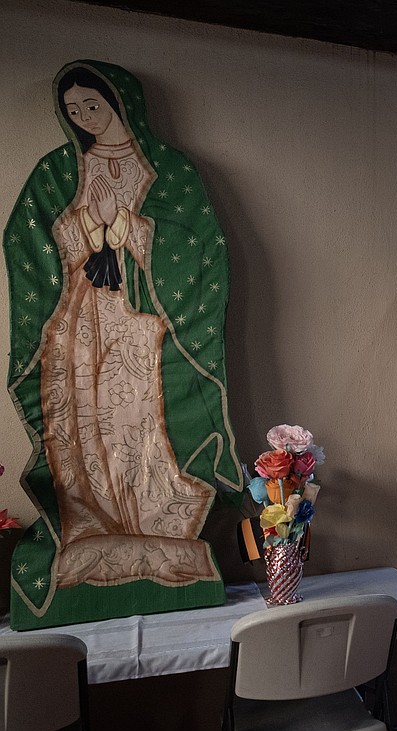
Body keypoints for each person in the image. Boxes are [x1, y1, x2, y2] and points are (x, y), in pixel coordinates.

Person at [3, 60, 242, 626]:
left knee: (137, 423)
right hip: (78, 321)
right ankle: (90, 528)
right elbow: (29, 237)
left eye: (94, 105)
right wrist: (88, 229)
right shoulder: (58, 171)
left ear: (121, 102)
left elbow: (196, 248)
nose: (85, 117)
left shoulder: (169, 170)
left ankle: (155, 527)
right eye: (74, 111)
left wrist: (129, 229)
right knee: (83, 425)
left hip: (138, 321)